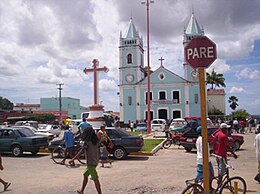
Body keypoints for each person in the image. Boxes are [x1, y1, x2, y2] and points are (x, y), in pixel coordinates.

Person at [69, 126, 102, 194]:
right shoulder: (95, 141)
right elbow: (98, 151)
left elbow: (81, 152)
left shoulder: (87, 142)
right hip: (95, 161)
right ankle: (82, 190)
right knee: (85, 175)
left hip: (90, 163)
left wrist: (73, 159)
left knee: (95, 179)